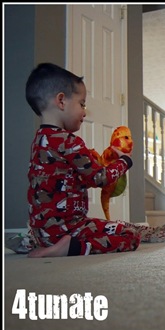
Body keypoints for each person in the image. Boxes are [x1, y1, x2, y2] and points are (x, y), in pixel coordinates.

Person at [25, 62, 144, 258]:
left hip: (42, 231)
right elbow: (99, 178)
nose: (85, 112)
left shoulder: (39, 141)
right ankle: (72, 248)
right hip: (69, 228)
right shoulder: (69, 141)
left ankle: (39, 243)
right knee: (130, 233)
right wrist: (124, 162)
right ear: (61, 101)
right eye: (82, 104)